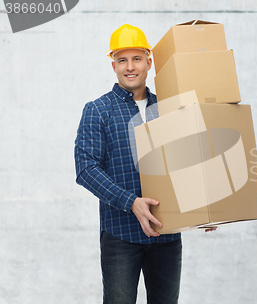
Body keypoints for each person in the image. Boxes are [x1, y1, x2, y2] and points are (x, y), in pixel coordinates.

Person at [74, 24, 203, 304]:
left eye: (136, 59)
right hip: (121, 237)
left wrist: (204, 208)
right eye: (122, 60)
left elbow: (185, 163)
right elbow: (86, 168)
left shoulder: (169, 108)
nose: (129, 67)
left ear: (149, 62)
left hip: (166, 236)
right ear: (114, 66)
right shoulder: (98, 110)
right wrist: (131, 202)